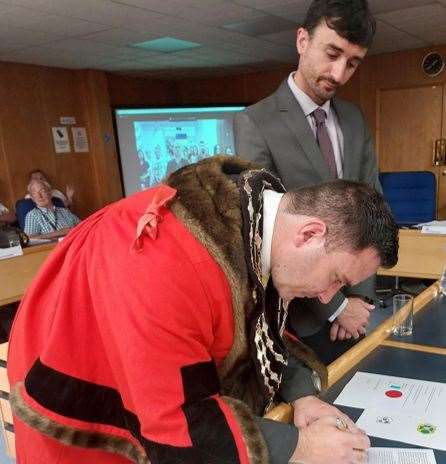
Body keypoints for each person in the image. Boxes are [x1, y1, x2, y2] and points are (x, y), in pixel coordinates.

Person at [8, 156, 398, 464]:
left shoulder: (260, 225)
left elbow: (261, 333)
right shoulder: (161, 262)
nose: (329, 297)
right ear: (309, 233)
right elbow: (174, 425)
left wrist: (302, 396)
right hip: (85, 436)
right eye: (336, 278)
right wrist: (299, 446)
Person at [234, 0, 380, 349]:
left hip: (357, 315)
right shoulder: (256, 123)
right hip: (299, 321)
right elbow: (266, 234)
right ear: (302, 41)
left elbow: (373, 211)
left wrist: (360, 299)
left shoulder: (354, 120)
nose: (339, 73)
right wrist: (337, 307)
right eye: (332, 53)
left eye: (352, 63)